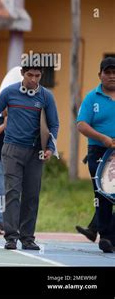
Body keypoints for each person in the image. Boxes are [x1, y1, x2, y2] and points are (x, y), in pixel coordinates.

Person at [0, 66, 59, 250]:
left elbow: (54, 124)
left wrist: (50, 148)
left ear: (41, 76)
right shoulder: (9, 92)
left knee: (31, 195)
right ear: (23, 73)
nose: (33, 79)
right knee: (12, 193)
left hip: (35, 151)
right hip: (12, 150)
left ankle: (28, 238)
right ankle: (11, 237)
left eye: (37, 76)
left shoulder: (46, 96)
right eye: (30, 75)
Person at [76, 57, 115, 253]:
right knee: (104, 194)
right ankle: (106, 237)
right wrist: (103, 138)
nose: (112, 76)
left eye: (114, 72)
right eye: (107, 72)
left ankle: (106, 233)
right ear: (100, 74)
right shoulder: (92, 97)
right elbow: (81, 124)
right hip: (100, 151)